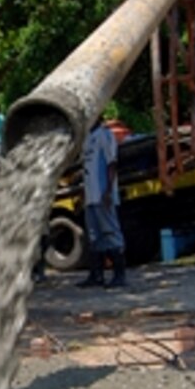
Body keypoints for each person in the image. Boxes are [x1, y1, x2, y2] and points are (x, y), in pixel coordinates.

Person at [78, 118, 127, 288]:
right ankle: (96, 275)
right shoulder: (87, 138)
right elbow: (86, 168)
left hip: (102, 193)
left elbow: (111, 163)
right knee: (94, 235)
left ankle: (119, 274)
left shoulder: (104, 135)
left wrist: (108, 191)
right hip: (91, 195)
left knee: (110, 231)